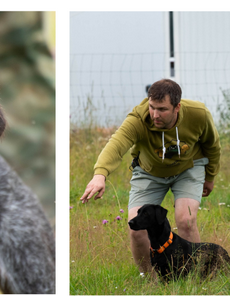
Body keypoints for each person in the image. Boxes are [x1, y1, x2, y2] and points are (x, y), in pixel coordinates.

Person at [78, 79, 221, 278]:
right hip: (149, 172)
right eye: (152, 107)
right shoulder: (138, 118)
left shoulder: (198, 114)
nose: (154, 114)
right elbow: (116, 144)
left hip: (189, 168)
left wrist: (210, 176)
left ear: (177, 107)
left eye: (162, 109)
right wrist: (99, 175)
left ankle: (192, 278)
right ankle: (151, 280)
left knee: (186, 219)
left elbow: (212, 146)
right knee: (136, 229)